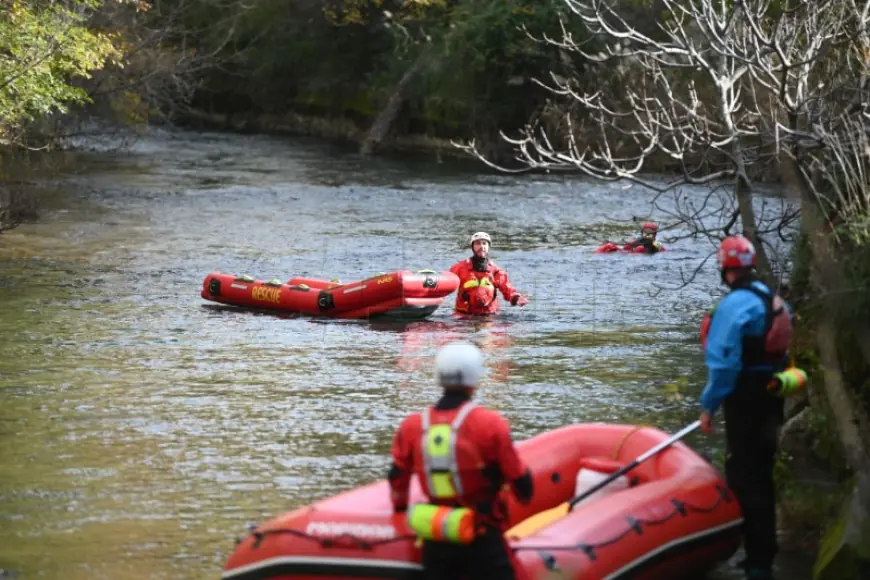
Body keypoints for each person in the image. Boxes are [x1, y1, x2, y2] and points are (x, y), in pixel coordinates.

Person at [697, 235, 806, 580]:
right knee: (762, 473)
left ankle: (752, 560)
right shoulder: (774, 301)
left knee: (743, 477)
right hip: (772, 397)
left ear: (725, 269)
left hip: (744, 399)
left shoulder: (734, 305)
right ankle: (761, 554)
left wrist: (708, 406)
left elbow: (723, 364)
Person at [388, 342, 534, 580]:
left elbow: (397, 477)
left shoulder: (412, 426)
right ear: (475, 377)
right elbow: (521, 483)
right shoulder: (490, 424)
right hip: (481, 535)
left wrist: (401, 511)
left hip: (436, 536)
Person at [450, 232, 529, 315]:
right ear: (472, 247)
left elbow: (507, 289)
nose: (481, 246)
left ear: (488, 247)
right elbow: (446, 283)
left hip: (489, 317)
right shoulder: (459, 268)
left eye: (484, 243)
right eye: (478, 244)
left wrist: (517, 298)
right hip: (463, 315)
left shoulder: (496, 271)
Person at [595, 221, 666, 254]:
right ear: (642, 233)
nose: (647, 235)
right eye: (645, 233)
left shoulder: (657, 244)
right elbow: (625, 249)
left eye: (650, 233)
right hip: (628, 254)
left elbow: (664, 251)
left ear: (654, 235)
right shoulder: (637, 241)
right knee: (608, 246)